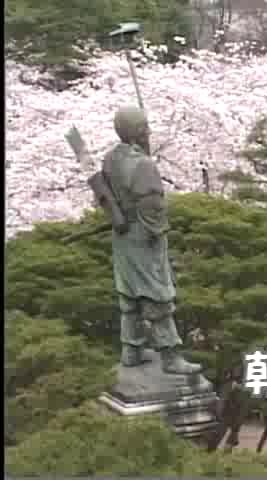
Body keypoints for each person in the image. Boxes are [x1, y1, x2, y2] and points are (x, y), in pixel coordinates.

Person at [99, 105, 201, 375]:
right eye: (145, 128)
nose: (150, 132)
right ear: (136, 132)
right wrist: (158, 234)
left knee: (129, 294)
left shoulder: (109, 159)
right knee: (158, 294)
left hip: (121, 235)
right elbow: (153, 206)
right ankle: (170, 355)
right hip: (144, 235)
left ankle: (131, 350)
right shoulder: (143, 164)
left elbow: (105, 194)